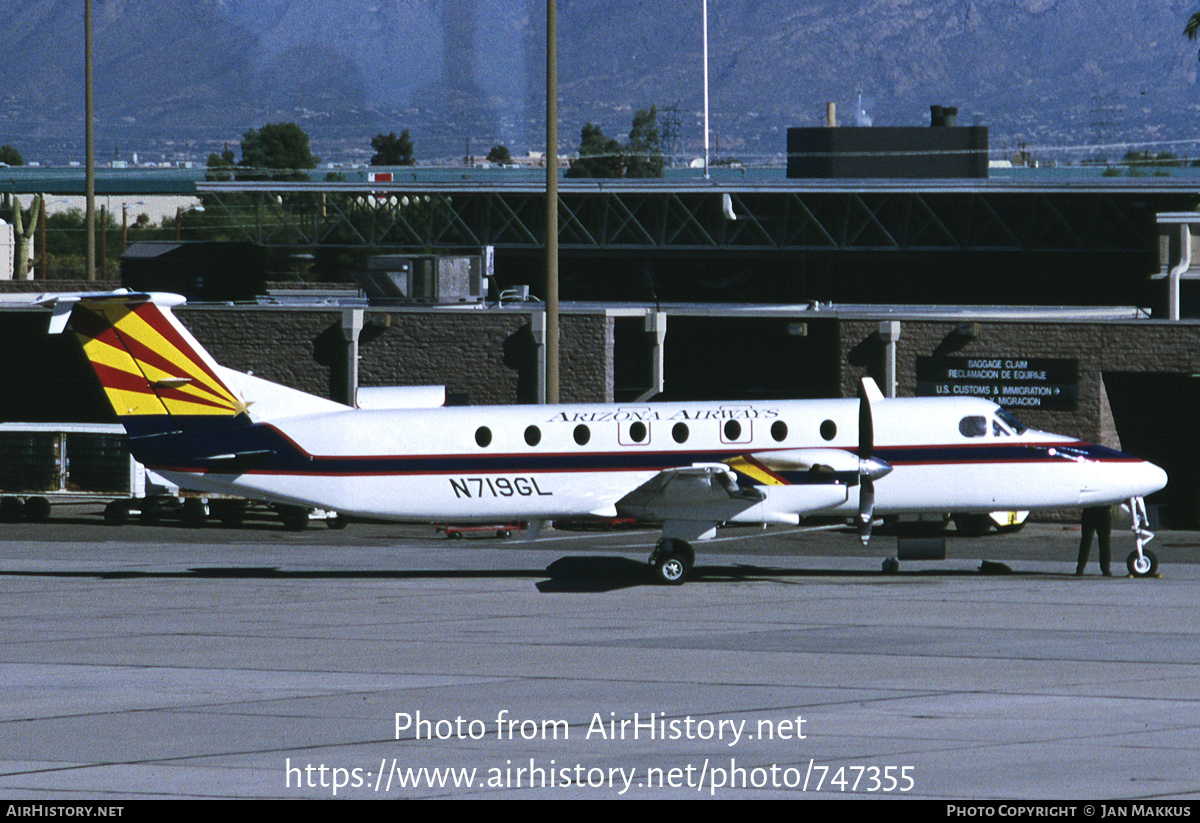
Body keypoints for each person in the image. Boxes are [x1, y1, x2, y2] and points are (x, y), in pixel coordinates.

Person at [1076, 505, 1113, 576]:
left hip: (1089, 511)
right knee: (1104, 542)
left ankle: (1080, 568)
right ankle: (1105, 569)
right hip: (1104, 512)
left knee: (1085, 542)